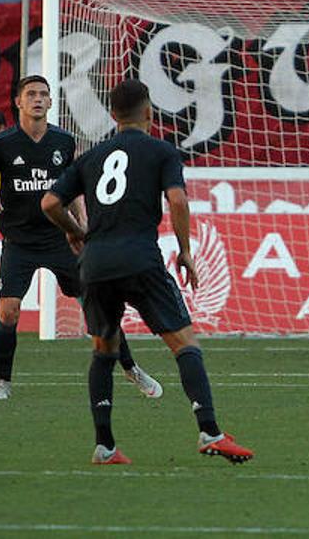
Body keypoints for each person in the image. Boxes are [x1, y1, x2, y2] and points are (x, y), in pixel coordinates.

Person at [41, 78, 252, 466]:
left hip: (96, 262)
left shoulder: (91, 156)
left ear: (112, 115)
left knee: (103, 350)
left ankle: (105, 446)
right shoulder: (161, 151)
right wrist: (186, 252)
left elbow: (51, 202)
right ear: (150, 112)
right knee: (185, 344)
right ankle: (209, 431)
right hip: (139, 258)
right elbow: (178, 199)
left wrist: (75, 232)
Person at [0, 75, 159, 403]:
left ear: (51, 102)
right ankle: (2, 383)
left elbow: (73, 190)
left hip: (60, 238)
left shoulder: (64, 142)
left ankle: (130, 367)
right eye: (31, 94)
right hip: (19, 241)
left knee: (97, 305)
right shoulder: (2, 144)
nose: (38, 99)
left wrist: (82, 224)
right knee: (8, 311)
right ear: (19, 102)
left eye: (43, 94)